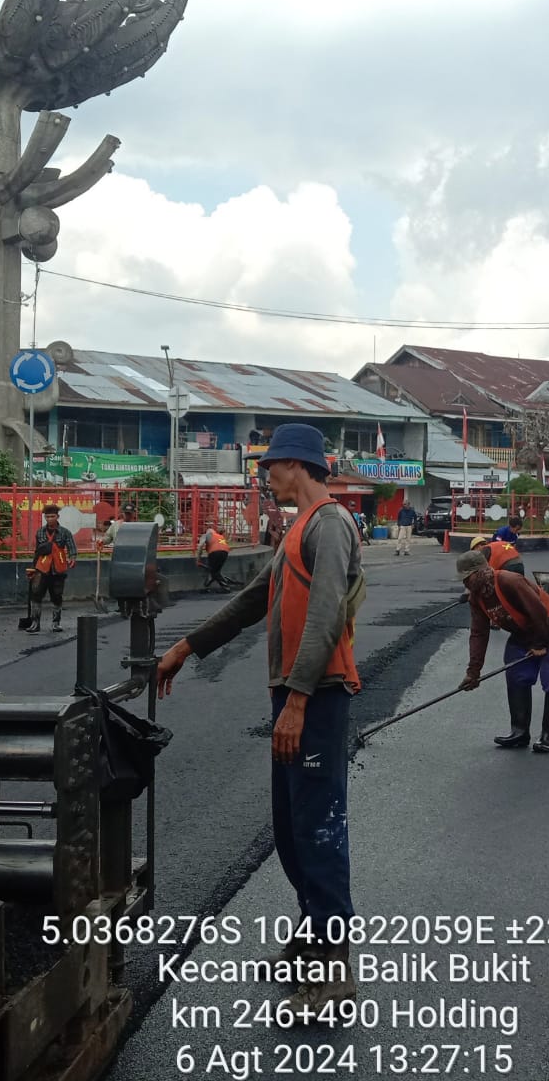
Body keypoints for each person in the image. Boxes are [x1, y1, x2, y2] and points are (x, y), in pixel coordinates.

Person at [156, 423, 364, 1013]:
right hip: (298, 693)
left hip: (317, 696)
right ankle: (314, 930)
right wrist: (188, 647)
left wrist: (297, 700)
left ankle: (333, 968)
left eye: (269, 464)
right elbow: (256, 601)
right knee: (291, 824)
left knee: (319, 825)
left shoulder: (329, 525)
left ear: (296, 465)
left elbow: (324, 616)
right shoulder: (300, 528)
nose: (264, 474)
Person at [456, 549, 549, 753]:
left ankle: (548, 736)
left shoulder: (509, 581)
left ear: (479, 572)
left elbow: (538, 611)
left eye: (467, 578)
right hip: (522, 631)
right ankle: (519, 731)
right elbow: (479, 634)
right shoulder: (477, 598)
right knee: (516, 675)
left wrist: (540, 644)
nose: (465, 584)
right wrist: (473, 672)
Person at [27, 503, 75, 631]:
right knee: (36, 594)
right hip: (41, 568)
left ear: (57, 516)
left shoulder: (65, 532)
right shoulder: (40, 532)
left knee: (57, 596)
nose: (49, 519)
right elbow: (37, 551)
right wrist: (33, 568)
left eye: (52, 516)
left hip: (57, 568)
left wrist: (72, 558)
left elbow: (72, 548)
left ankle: (56, 623)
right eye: (47, 517)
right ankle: (35, 623)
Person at [197, 523, 233, 592]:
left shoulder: (206, 535)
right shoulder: (219, 536)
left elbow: (200, 546)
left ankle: (226, 587)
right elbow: (225, 543)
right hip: (225, 552)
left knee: (213, 571)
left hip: (214, 552)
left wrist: (198, 559)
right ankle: (208, 584)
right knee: (216, 570)